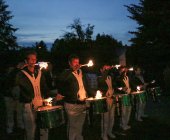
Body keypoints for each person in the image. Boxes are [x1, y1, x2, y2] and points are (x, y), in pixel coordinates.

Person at [16, 51, 50, 140]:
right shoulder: (21, 74)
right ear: (26, 61)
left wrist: (47, 98)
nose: (33, 61)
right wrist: (17, 69)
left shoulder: (39, 72)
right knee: (30, 129)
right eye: (31, 59)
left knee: (44, 126)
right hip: (28, 104)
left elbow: (44, 87)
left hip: (40, 103)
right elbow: (10, 83)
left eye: (35, 59)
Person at [59, 54, 92, 140]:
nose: (77, 64)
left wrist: (92, 94)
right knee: (72, 126)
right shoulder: (66, 73)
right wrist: (71, 70)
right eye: (74, 62)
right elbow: (61, 81)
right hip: (71, 104)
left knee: (79, 126)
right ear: (69, 63)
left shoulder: (81, 73)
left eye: (78, 62)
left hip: (82, 103)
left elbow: (86, 86)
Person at [3, 64, 24, 134]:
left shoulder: (19, 75)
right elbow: (5, 87)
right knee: (10, 112)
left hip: (18, 96)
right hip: (8, 97)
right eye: (10, 70)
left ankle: (20, 125)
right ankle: (10, 127)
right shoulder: (6, 78)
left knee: (19, 111)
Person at [98, 65, 116, 140]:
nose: (106, 69)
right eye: (104, 68)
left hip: (111, 99)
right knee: (105, 119)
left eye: (106, 68)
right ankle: (104, 134)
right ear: (101, 70)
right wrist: (106, 71)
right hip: (104, 100)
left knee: (111, 117)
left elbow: (114, 84)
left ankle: (109, 131)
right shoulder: (99, 78)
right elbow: (101, 83)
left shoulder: (110, 77)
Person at [114, 66, 132, 131]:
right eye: (123, 70)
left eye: (125, 70)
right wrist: (122, 88)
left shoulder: (128, 77)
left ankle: (126, 123)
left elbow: (131, 84)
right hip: (123, 96)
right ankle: (123, 124)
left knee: (128, 110)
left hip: (128, 95)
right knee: (124, 111)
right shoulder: (118, 78)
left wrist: (129, 89)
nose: (125, 71)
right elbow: (116, 87)